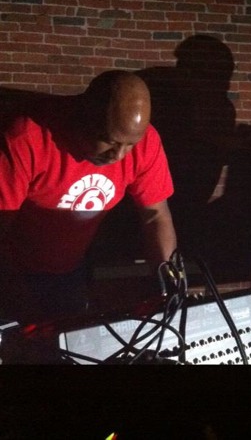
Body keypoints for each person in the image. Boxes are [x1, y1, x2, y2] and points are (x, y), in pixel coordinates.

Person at [0, 70, 177, 322]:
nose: (119, 155)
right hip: (12, 268)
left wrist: (168, 283)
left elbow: (155, 215)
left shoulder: (146, 142)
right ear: (83, 115)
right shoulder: (26, 137)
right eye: (108, 141)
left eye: (130, 145)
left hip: (71, 267)